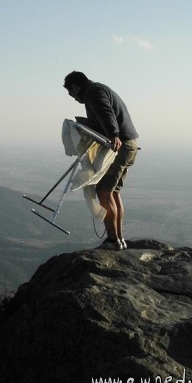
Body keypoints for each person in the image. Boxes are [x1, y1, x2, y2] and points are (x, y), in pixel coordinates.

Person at [63, 71, 139, 250]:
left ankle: (113, 241)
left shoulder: (93, 92)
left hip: (120, 146)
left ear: (75, 87)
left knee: (104, 191)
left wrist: (114, 134)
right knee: (113, 192)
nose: (73, 98)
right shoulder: (99, 89)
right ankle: (118, 239)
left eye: (71, 93)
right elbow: (106, 114)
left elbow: (106, 112)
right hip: (130, 146)